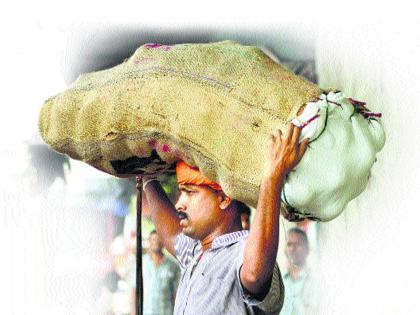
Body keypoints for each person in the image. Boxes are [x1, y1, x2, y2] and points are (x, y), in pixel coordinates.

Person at [141, 124, 309, 315]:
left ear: (223, 198)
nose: (179, 204)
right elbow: (171, 235)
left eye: (189, 192)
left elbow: (254, 276)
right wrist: (147, 178)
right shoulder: (197, 253)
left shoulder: (243, 250)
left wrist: (273, 177)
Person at [129, 230, 180, 315]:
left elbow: (177, 295)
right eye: (153, 239)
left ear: (164, 242)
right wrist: (133, 313)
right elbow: (134, 291)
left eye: (159, 239)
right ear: (149, 241)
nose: (156, 242)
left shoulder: (173, 265)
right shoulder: (140, 263)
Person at [280, 228, 319, 315]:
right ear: (285, 250)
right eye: (289, 244)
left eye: (298, 244)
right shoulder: (278, 281)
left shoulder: (317, 280)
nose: (293, 249)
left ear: (307, 249)